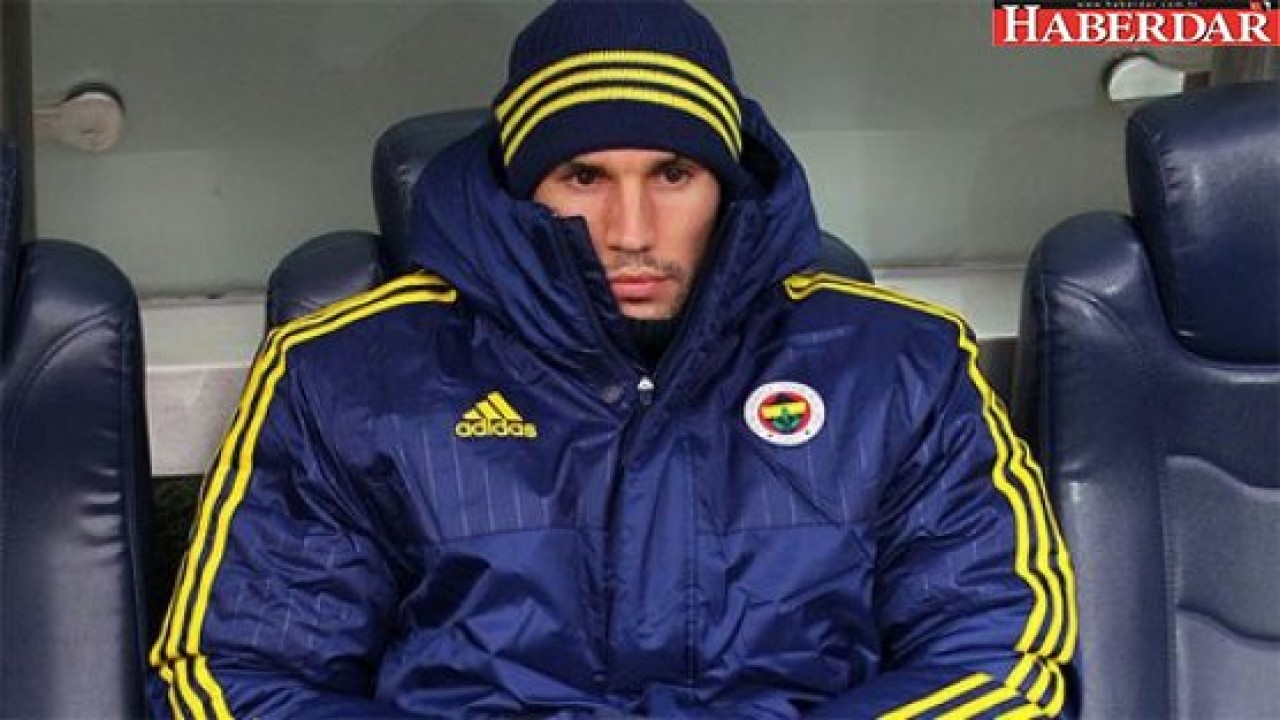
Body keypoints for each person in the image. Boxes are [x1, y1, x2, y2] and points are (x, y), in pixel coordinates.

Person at [149, 1, 1077, 717]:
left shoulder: (899, 367)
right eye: (583, 177)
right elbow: (235, 679)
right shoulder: (351, 376)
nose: (631, 231)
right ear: (524, 186)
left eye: (673, 174)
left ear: (726, 184)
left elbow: (1000, 658)